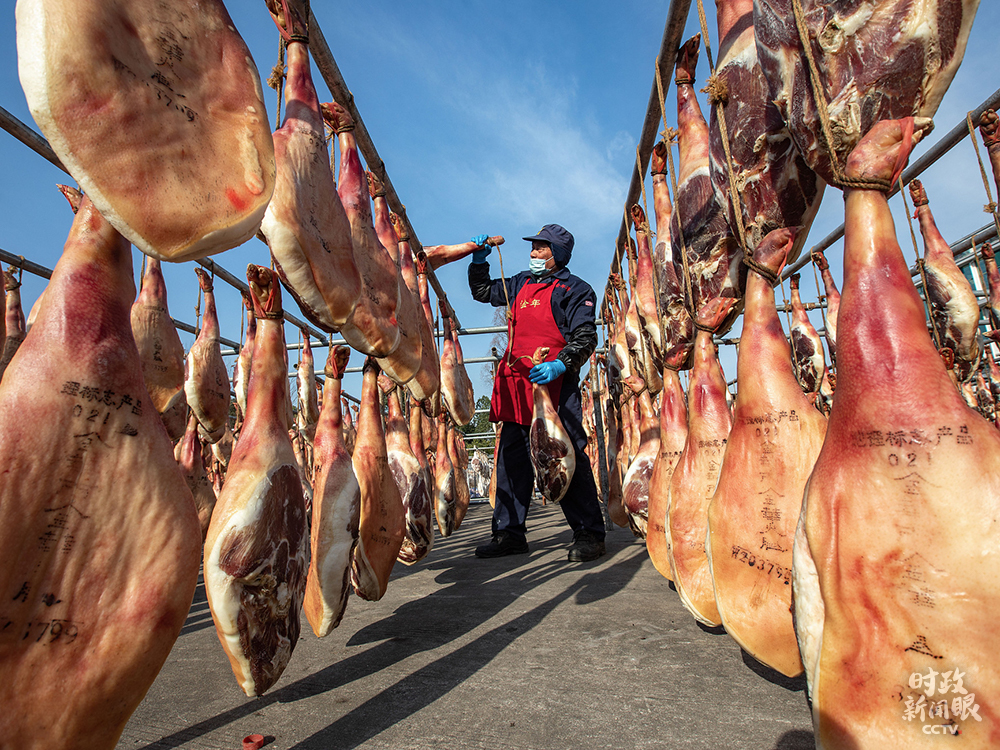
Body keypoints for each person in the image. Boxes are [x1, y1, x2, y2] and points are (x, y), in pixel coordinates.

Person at [468, 224, 607, 562]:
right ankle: (509, 533)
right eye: (533, 248)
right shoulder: (519, 283)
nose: (532, 253)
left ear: (557, 255)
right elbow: (483, 291)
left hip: (554, 383)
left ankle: (589, 532)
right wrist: (479, 261)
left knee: (566, 451)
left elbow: (586, 336)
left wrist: (561, 365)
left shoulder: (575, 289)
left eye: (541, 248)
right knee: (511, 457)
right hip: (517, 382)